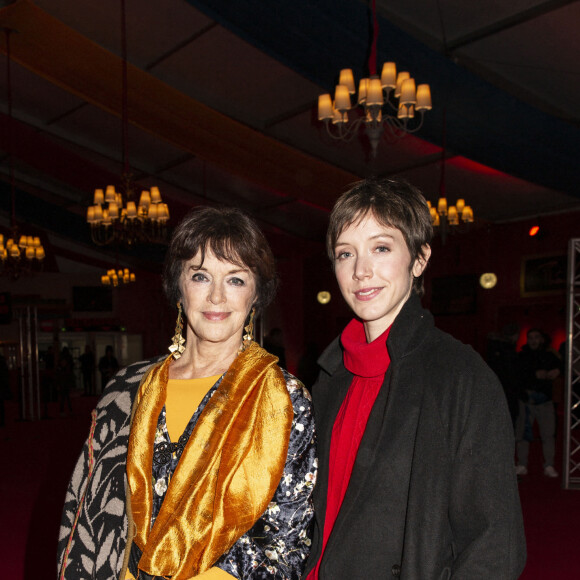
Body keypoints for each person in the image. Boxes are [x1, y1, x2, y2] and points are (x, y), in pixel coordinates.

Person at [58, 206, 316, 580]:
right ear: (178, 286)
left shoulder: (284, 399)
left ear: (256, 295)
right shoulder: (127, 389)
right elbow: (87, 511)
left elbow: (287, 542)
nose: (216, 297)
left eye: (235, 280)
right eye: (200, 276)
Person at [303, 178, 526, 579]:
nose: (360, 271)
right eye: (344, 254)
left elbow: (495, 545)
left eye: (381, 248)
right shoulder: (329, 379)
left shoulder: (461, 378)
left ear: (419, 259)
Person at [515, 328, 562, 478]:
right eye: (530, 337)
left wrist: (557, 371)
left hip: (545, 401)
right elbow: (517, 375)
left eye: (536, 337)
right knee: (522, 434)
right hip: (527, 401)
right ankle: (522, 464)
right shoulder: (521, 356)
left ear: (541, 339)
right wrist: (534, 375)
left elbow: (563, 365)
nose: (533, 340)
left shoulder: (550, 354)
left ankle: (549, 465)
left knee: (548, 434)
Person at [486, 322, 523, 427]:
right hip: (507, 393)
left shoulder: (494, 348)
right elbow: (511, 375)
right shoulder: (508, 352)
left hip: (497, 393)